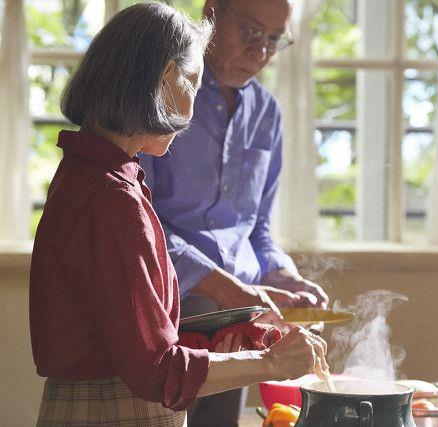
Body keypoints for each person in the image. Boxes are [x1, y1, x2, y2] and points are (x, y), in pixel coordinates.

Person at [29, 3, 327, 425]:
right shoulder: (114, 199)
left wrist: (223, 346)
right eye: (192, 82)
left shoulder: (97, 176)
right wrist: (272, 364)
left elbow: (130, 342)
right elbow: (157, 371)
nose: (190, 107)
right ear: (166, 79)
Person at [140, 1, 330, 425]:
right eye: (250, 32)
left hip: (241, 318)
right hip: (167, 312)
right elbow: (139, 222)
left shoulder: (267, 113)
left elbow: (256, 228)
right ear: (211, 13)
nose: (261, 52)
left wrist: (283, 274)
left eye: (275, 40)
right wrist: (223, 288)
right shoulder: (162, 93)